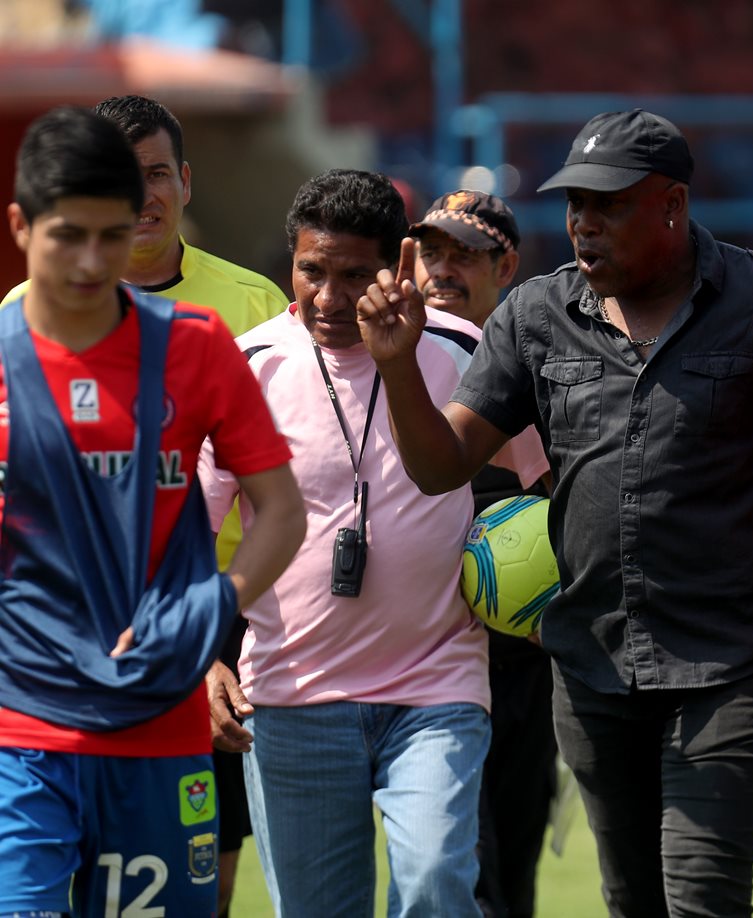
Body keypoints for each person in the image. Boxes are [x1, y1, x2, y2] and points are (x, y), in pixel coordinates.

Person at [358, 109, 753, 917]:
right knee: (632, 901)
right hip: (594, 670)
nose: (583, 226)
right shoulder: (533, 316)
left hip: (730, 666)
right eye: (575, 206)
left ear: (672, 204)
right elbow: (440, 466)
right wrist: (397, 369)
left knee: (704, 898)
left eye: (608, 206)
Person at [199, 169, 547, 918]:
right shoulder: (245, 365)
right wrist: (205, 660)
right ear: (289, 262)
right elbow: (187, 534)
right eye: (311, 270)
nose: (327, 297)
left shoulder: (464, 350)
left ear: (396, 270)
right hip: (288, 695)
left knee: (434, 885)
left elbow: (553, 485)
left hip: (437, 686)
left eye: (354, 275)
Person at [0, 106, 304, 916]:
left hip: (165, 718)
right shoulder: (2, 348)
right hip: (25, 729)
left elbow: (282, 505)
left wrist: (211, 613)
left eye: (113, 231)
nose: (98, 258)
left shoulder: (202, 340)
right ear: (23, 226)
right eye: (73, 233)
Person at [411, 190, 556, 918]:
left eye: (462, 255)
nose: (440, 270)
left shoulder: (543, 364)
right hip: (426, 658)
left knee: (513, 867)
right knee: (454, 865)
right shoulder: (392, 368)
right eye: (429, 253)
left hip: (524, 660)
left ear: (507, 266)